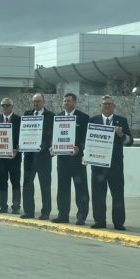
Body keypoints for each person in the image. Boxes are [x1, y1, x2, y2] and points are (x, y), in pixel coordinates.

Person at [89, 95, 133, 231]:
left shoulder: (122, 121)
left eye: (110, 104)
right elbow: (87, 141)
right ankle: (99, 220)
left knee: (118, 194)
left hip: (115, 165)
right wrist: (86, 155)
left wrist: (121, 135)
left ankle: (118, 222)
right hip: (97, 164)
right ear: (100, 106)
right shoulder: (93, 120)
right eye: (104, 104)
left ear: (114, 106)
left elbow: (130, 141)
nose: (107, 106)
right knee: (98, 194)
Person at [52, 93, 90, 225]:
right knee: (62, 188)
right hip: (62, 160)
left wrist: (79, 147)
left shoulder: (84, 118)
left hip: (78, 159)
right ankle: (63, 215)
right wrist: (53, 147)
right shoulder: (58, 117)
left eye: (68, 101)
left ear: (74, 103)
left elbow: (87, 138)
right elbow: (55, 136)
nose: (66, 103)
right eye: (64, 101)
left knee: (81, 188)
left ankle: (81, 216)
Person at [21, 93, 55, 220]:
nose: (36, 104)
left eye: (38, 101)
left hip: (44, 156)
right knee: (27, 184)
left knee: (45, 185)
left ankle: (45, 212)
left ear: (43, 102)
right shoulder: (27, 114)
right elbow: (23, 132)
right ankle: (28, 211)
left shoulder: (51, 116)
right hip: (29, 155)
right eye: (34, 102)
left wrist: (48, 145)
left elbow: (53, 134)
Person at [0, 98, 21, 214]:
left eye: (7, 105)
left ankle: (15, 206)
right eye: (3, 105)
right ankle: (2, 205)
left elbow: (23, 137)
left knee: (15, 182)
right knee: (1, 182)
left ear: (12, 107)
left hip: (14, 158)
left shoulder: (19, 120)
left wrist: (17, 149)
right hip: (0, 158)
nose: (5, 107)